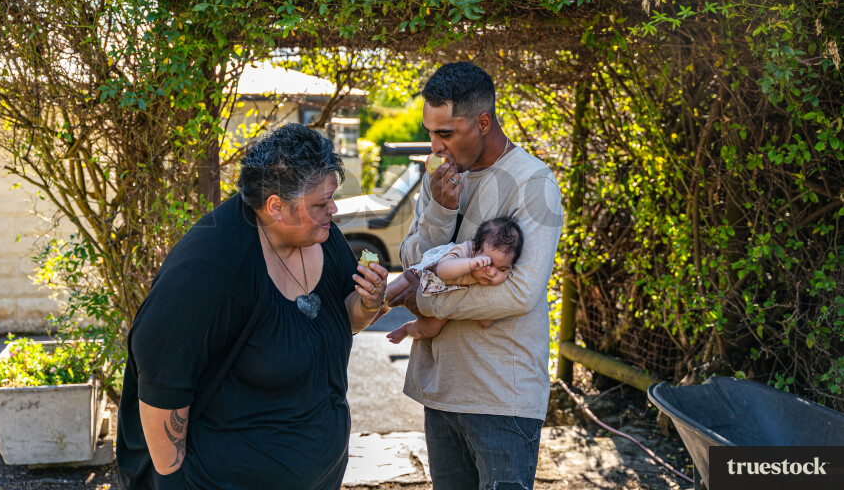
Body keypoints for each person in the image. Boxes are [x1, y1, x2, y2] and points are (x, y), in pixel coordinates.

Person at [116, 123, 388, 490]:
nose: (334, 210)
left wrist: (368, 303)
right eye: (321, 203)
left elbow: (341, 320)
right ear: (275, 206)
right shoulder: (208, 268)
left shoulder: (323, 236)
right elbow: (162, 387)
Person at [389, 61, 563, 490]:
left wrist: (426, 300)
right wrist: (441, 209)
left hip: (503, 397)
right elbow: (411, 260)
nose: (435, 146)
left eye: (446, 134)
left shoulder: (533, 182)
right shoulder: (439, 180)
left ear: (483, 122)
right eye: (430, 132)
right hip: (440, 390)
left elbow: (519, 294)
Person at [385, 216, 524, 343]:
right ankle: (377, 307)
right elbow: (443, 271)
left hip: (442, 298)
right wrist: (469, 264)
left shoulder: (496, 284)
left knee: (431, 329)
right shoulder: (465, 252)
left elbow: (485, 319)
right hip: (424, 275)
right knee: (390, 292)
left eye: (502, 269)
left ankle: (406, 329)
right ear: (475, 250)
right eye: (488, 263)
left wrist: (490, 316)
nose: (492, 273)